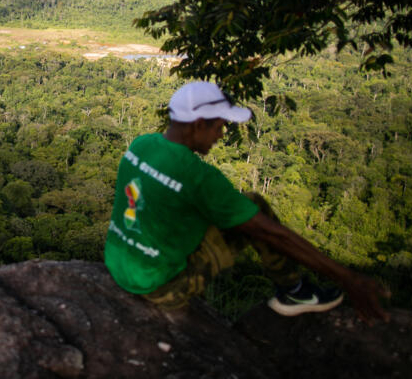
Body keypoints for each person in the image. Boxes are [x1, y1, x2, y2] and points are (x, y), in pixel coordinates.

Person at [104, 81, 390, 323]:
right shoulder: (199, 177)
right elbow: (270, 233)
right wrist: (347, 278)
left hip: (119, 264)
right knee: (255, 206)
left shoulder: (141, 144)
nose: (220, 136)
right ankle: (295, 291)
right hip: (159, 287)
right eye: (220, 126)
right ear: (199, 124)